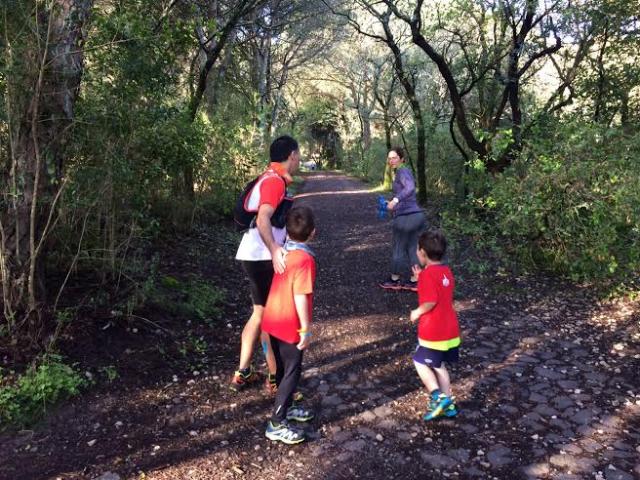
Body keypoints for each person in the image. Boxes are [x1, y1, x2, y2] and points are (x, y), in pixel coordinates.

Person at [231, 135, 301, 392]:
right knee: (272, 318)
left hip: (251, 255)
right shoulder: (274, 182)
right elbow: (263, 218)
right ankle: (276, 378)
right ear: (291, 155)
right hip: (262, 256)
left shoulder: (268, 176)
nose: (299, 159)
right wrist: (275, 250)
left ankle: (243, 371)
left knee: (260, 313)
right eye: (298, 154)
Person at [262, 206, 317, 444]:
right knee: (292, 373)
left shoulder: (282, 251)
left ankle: (290, 405)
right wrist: (305, 327)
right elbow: (300, 295)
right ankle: (276, 423)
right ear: (312, 233)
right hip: (288, 323)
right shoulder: (304, 260)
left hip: (272, 319)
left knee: (284, 370)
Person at [409, 229, 460, 421]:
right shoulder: (446, 271)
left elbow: (430, 301)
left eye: (417, 249)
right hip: (450, 330)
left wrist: (417, 312)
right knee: (439, 366)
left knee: (419, 361)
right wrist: (422, 275)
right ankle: (449, 405)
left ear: (422, 252)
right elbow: (439, 287)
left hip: (434, 331)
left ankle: (437, 396)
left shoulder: (428, 276)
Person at [379, 147, 427, 292]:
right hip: (416, 216)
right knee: (413, 249)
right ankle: (415, 281)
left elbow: (410, 188)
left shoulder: (402, 171)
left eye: (394, 157)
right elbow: (407, 195)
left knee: (399, 249)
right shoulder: (402, 172)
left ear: (401, 158)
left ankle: (395, 280)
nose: (391, 160)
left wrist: (395, 199)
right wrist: (392, 204)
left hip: (406, 218)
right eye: (389, 158)